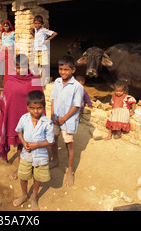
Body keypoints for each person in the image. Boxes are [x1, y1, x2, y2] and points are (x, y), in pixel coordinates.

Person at [0, 54, 43, 179]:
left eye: (23, 67)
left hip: (32, 118)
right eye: (17, 67)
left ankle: (34, 167)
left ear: (27, 66)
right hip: (16, 118)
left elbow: (40, 100)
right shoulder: (11, 80)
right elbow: (5, 100)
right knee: (20, 144)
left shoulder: (34, 79)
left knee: (33, 144)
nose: (20, 70)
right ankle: (20, 168)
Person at [12, 90, 54, 211]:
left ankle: (34, 197)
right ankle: (24, 195)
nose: (36, 111)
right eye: (32, 108)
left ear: (44, 107)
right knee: (23, 176)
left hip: (40, 156)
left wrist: (37, 145)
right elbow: (19, 132)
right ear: (27, 107)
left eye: (39, 108)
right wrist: (23, 141)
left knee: (38, 177)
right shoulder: (24, 119)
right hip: (26, 155)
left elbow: (50, 141)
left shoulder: (47, 122)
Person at [50, 55, 84, 187]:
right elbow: (53, 98)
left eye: (66, 69)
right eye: (60, 69)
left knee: (69, 144)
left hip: (67, 121)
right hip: (55, 118)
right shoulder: (58, 81)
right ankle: (56, 160)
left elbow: (76, 106)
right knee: (53, 139)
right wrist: (52, 113)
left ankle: (70, 171)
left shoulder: (77, 86)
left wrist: (64, 118)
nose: (63, 72)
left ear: (73, 70)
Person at [29, 15, 58, 86]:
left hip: (43, 50)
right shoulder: (36, 30)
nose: (37, 25)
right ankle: (39, 78)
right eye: (35, 23)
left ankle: (42, 83)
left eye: (39, 23)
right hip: (37, 50)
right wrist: (32, 33)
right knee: (35, 66)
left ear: (42, 23)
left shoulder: (44, 30)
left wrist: (47, 40)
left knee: (43, 67)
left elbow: (55, 33)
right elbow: (37, 37)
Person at [0, 20, 16, 87]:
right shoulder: (3, 34)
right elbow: (2, 43)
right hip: (3, 52)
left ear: (9, 26)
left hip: (10, 52)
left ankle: (10, 83)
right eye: (4, 26)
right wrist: (0, 52)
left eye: (7, 26)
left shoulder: (13, 33)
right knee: (3, 68)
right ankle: (2, 84)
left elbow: (15, 43)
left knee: (10, 68)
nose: (6, 27)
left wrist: (15, 52)